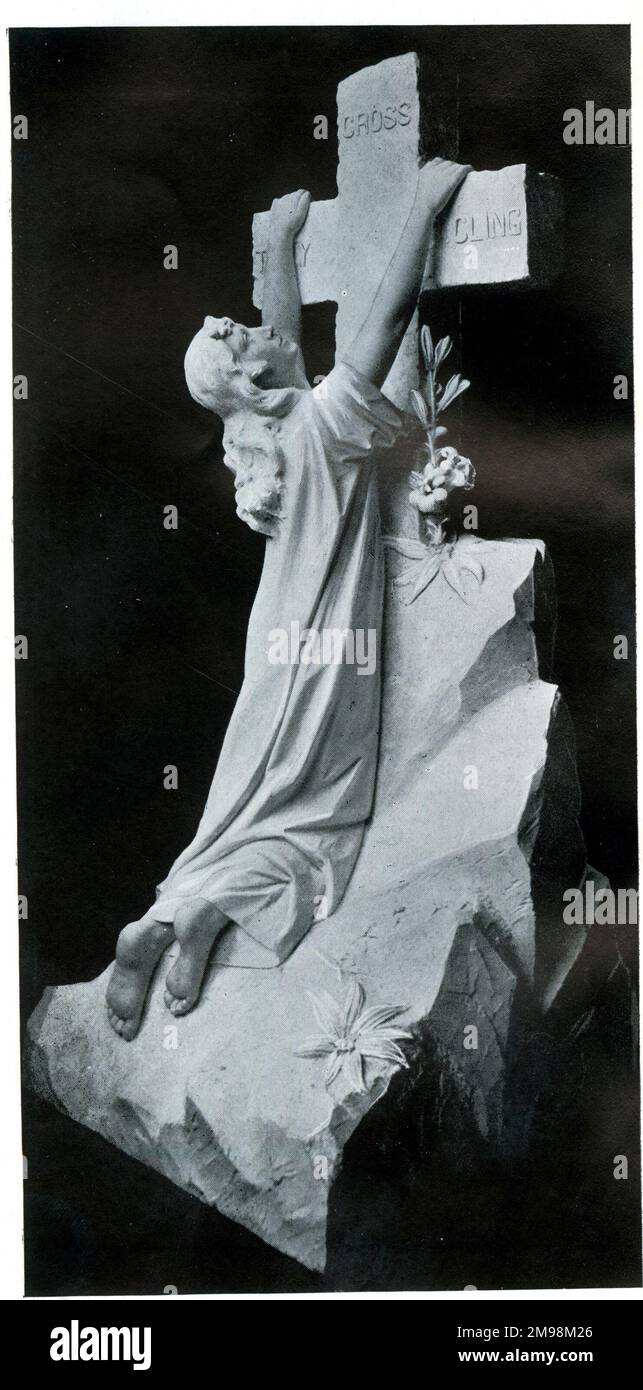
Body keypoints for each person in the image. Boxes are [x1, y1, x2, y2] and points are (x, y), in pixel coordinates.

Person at [106, 156, 470, 1038]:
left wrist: (276, 243)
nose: (255, 325)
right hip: (328, 656)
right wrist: (422, 203)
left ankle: (172, 919)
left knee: (245, 800)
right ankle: (198, 917)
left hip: (275, 652)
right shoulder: (328, 421)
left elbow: (281, 344)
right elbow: (379, 320)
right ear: (262, 381)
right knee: (319, 818)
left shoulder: (283, 433)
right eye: (241, 334)